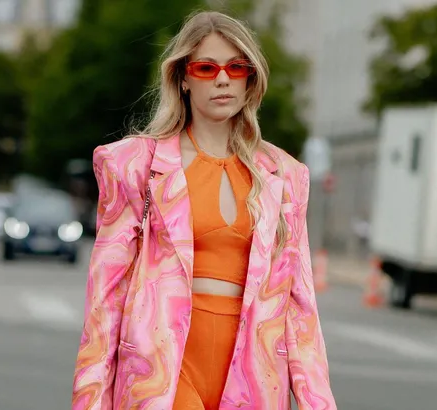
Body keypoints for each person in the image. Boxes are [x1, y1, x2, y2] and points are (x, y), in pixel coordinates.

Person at [72, 10, 337, 410]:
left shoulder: (285, 175)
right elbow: (105, 298)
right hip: (161, 370)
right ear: (183, 78)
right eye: (206, 67)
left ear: (250, 79)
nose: (222, 79)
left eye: (236, 67)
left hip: (255, 376)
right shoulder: (135, 165)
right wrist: (90, 400)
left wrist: (319, 402)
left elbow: (300, 307)